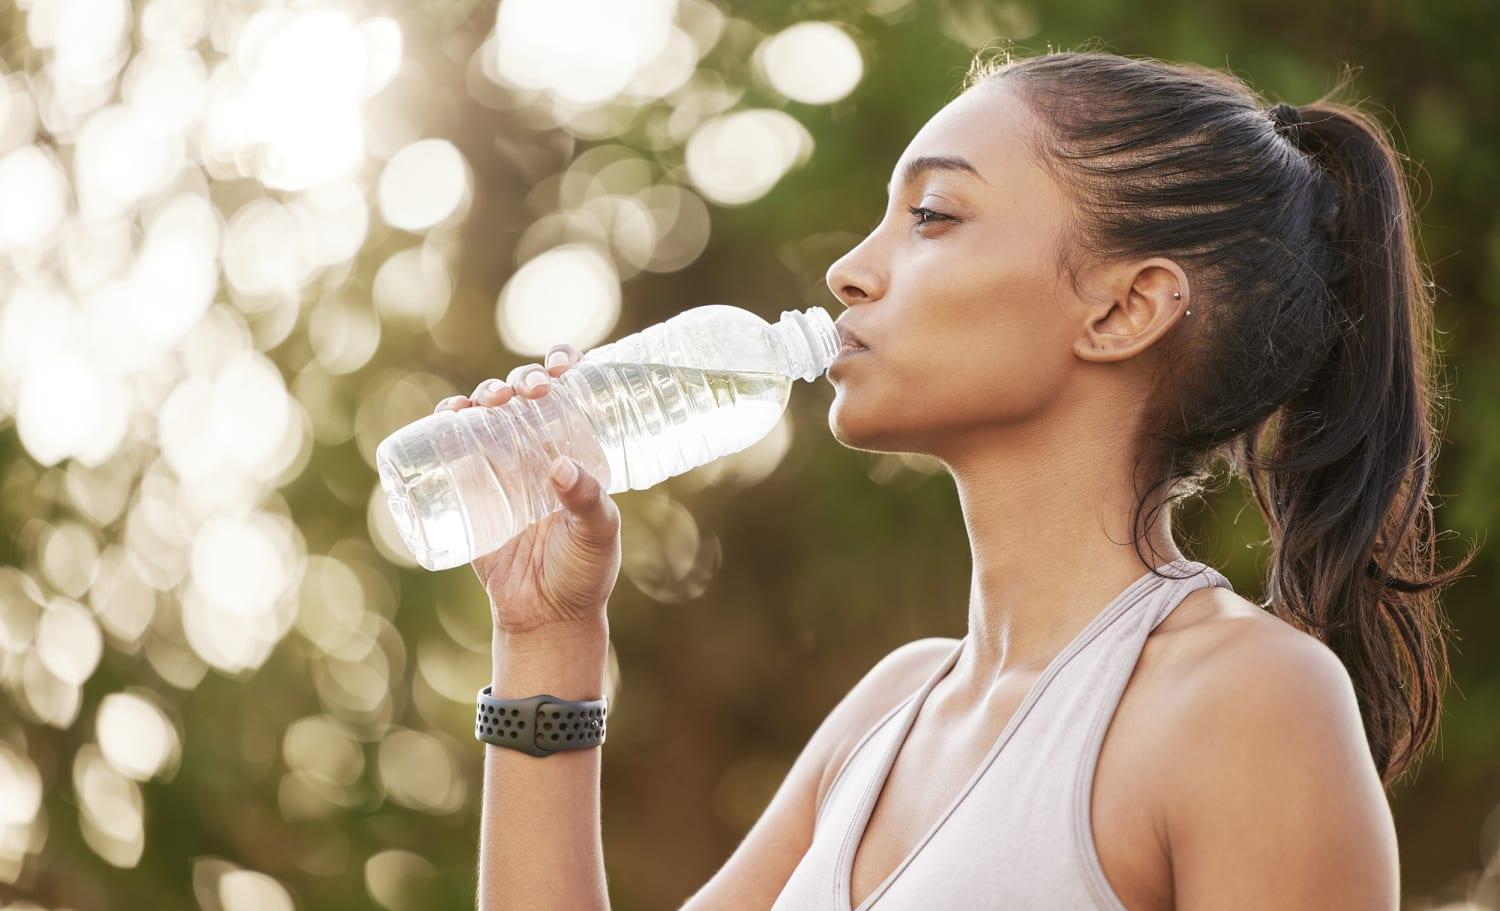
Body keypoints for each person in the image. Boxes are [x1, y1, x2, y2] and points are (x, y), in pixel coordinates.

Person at [436, 50, 1463, 909]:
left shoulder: (1247, 705)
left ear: (1123, 309)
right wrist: (546, 638)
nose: (849, 269)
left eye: (932, 214)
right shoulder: (889, 712)